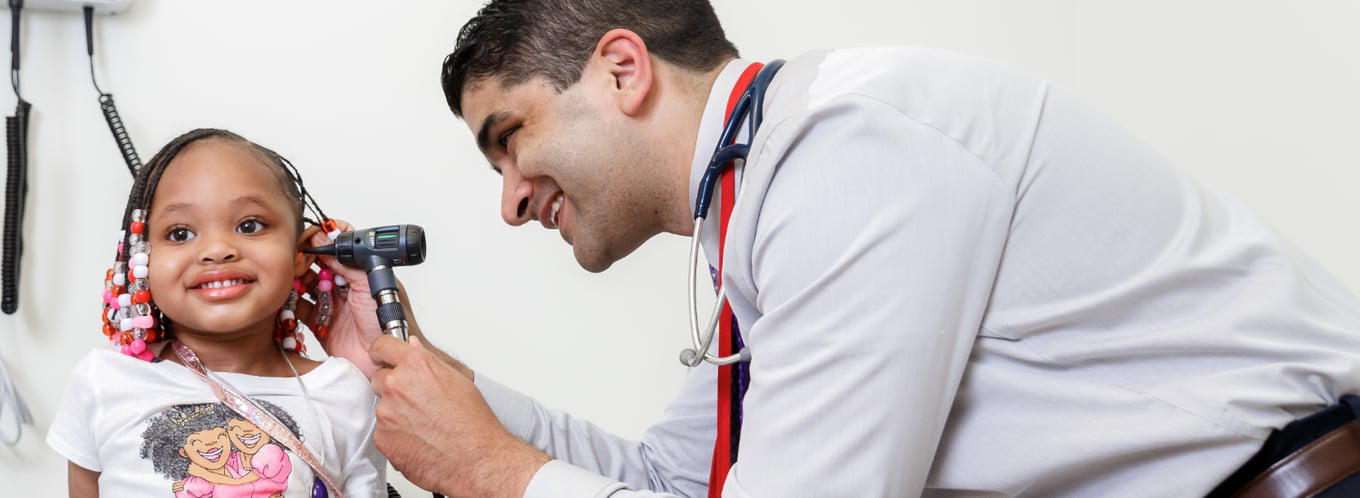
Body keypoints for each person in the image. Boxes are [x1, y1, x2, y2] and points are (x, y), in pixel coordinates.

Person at [316, 0, 1360, 496]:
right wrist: (417, 379)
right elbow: (672, 483)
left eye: (512, 139)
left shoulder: (849, 144)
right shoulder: (764, 204)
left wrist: (492, 471)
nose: (508, 201)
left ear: (621, 70)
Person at [47, 128, 386, 497]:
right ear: (140, 261)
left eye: (249, 226)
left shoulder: (345, 391)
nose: (217, 249)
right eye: (180, 233)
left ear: (301, 253)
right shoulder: (103, 382)